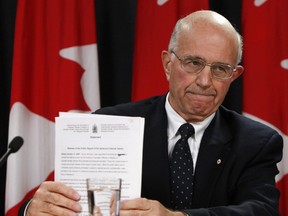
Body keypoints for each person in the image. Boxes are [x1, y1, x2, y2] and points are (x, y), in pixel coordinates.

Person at [20, 10, 283, 216]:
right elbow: (65, 201)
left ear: (234, 75)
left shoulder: (256, 143)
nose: (205, 81)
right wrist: (32, 209)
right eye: (194, 63)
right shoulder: (110, 124)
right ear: (168, 64)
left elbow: (262, 211)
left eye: (220, 69)